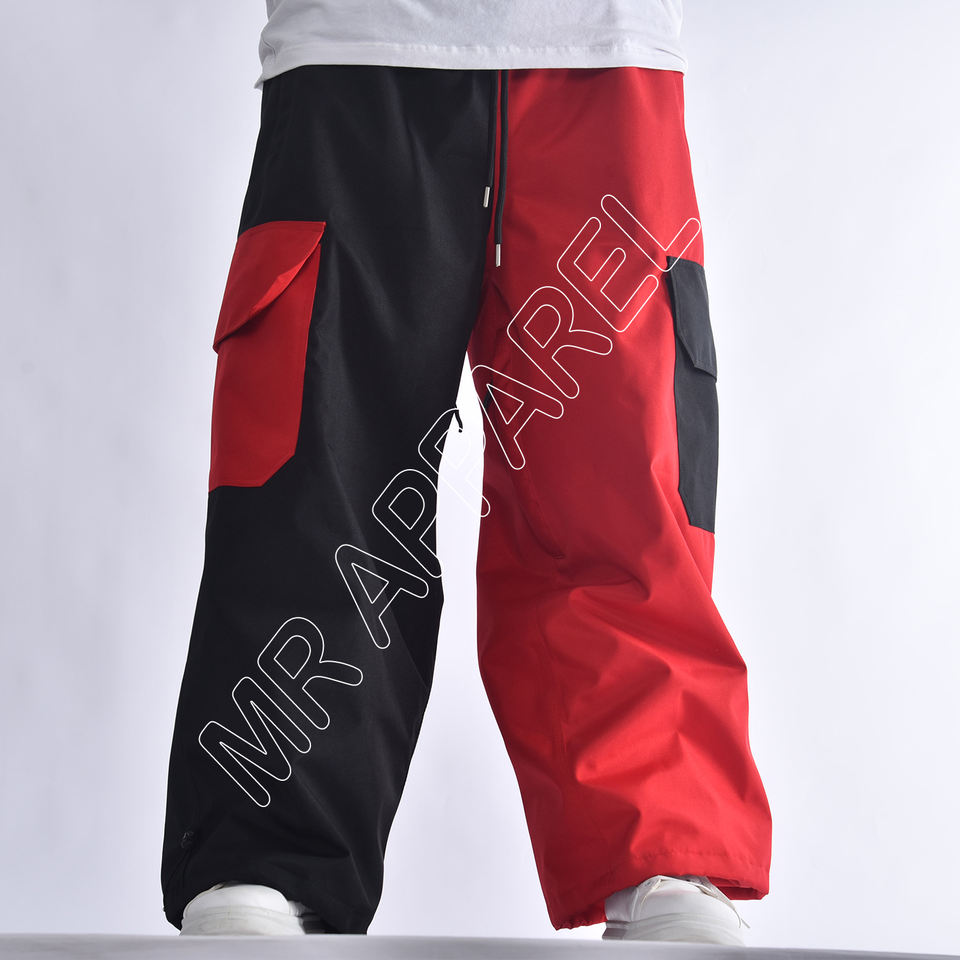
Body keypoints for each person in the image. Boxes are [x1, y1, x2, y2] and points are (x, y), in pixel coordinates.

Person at [160, 0, 773, 944]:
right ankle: (266, 852)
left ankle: (663, 845)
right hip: (355, 45)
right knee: (319, 473)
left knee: (623, 485)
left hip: (605, 50)